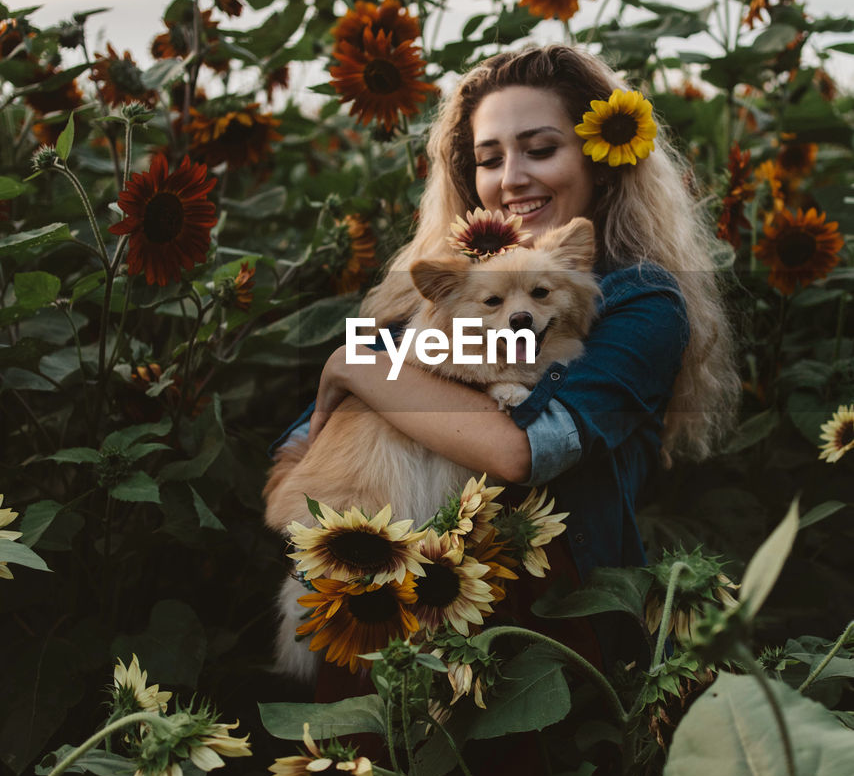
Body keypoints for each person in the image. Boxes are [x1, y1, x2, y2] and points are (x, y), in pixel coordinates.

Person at [304, 44, 739, 586]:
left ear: (598, 163)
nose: (510, 178)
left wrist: (357, 367)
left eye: (539, 149)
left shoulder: (642, 301)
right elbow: (306, 448)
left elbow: (522, 451)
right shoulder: (440, 291)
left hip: (557, 620)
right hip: (399, 598)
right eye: (489, 159)